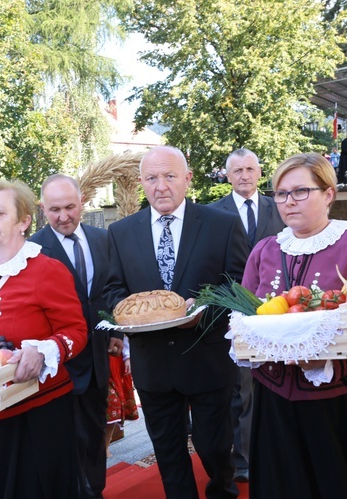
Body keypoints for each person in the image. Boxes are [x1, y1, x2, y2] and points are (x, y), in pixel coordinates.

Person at [242, 153, 347, 497]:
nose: (288, 201)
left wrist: (331, 358)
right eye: (281, 193)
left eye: (300, 191)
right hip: (275, 399)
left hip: (338, 402)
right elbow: (248, 314)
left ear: (328, 194)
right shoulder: (264, 251)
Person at [103, 145, 249, 499]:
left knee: (215, 449)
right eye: (152, 178)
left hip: (208, 361)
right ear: (141, 183)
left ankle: (222, 490)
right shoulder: (121, 232)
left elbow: (240, 288)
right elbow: (111, 291)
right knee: (168, 455)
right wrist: (130, 314)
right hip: (153, 365)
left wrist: (201, 313)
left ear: (187, 179)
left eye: (169, 176)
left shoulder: (222, 225)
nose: (161, 186)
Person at [0, 179, 88, 499]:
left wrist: (44, 350)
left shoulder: (46, 269)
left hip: (35, 416)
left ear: (23, 221)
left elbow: (76, 331)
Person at [30, 173, 120, 498]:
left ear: (83, 201)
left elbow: (110, 292)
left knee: (94, 435)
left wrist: (117, 332)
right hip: (58, 365)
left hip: (97, 360)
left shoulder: (104, 238)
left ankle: (95, 491)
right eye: (54, 209)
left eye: (70, 206)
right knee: (65, 440)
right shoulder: (32, 251)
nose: (64, 216)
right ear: (42, 208)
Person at [209, 148, 286, 483]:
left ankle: (276, 446)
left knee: (278, 380)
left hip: (277, 309)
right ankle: (244, 459)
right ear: (228, 176)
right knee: (240, 388)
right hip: (231, 310)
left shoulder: (279, 206)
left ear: (259, 172)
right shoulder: (212, 214)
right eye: (237, 170)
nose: (244, 175)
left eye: (250, 169)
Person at [104, 336, 138, 458]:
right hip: (87, 357)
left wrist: (127, 356)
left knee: (114, 406)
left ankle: (105, 446)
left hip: (113, 357)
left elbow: (121, 330)